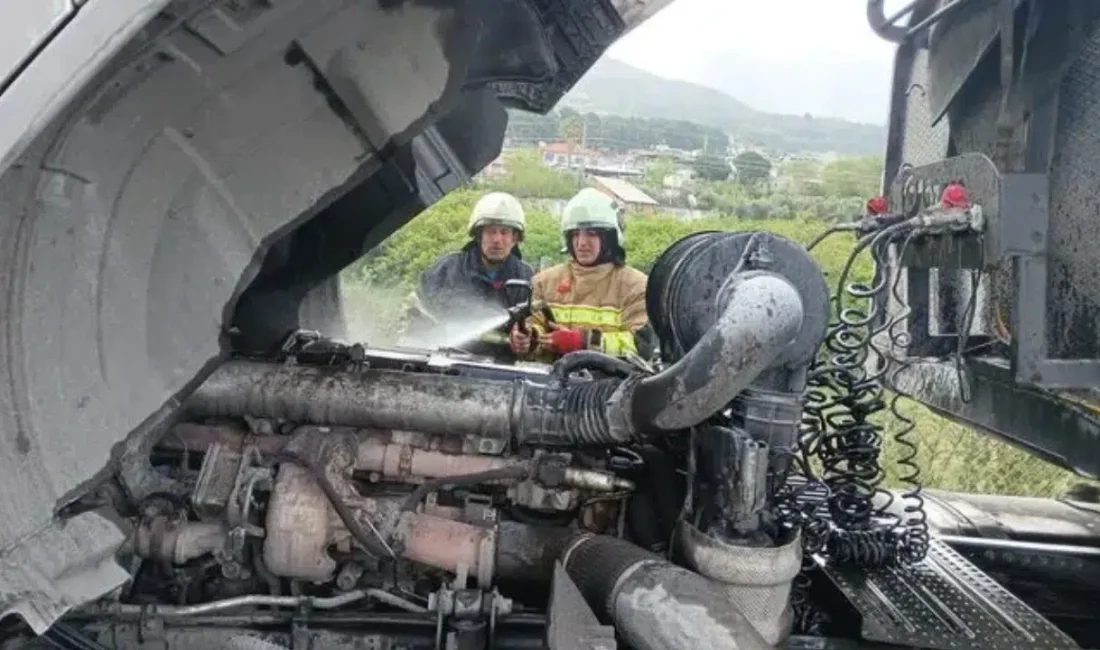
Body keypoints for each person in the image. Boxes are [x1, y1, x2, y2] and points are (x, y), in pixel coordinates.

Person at [508, 188, 654, 363]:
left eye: (591, 234)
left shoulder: (636, 286)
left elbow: (640, 346)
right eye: (575, 234)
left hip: (610, 387)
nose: (582, 243)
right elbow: (536, 325)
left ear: (609, 238)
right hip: (553, 386)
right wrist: (528, 339)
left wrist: (584, 342)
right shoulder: (544, 281)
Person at [405, 191, 534, 359]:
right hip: (446, 365)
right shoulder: (447, 270)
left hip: (501, 373)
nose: (497, 239)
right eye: (490, 232)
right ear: (479, 235)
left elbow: (535, 329)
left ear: (515, 238)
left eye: (504, 232)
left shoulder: (527, 278)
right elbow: (415, 315)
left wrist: (526, 338)